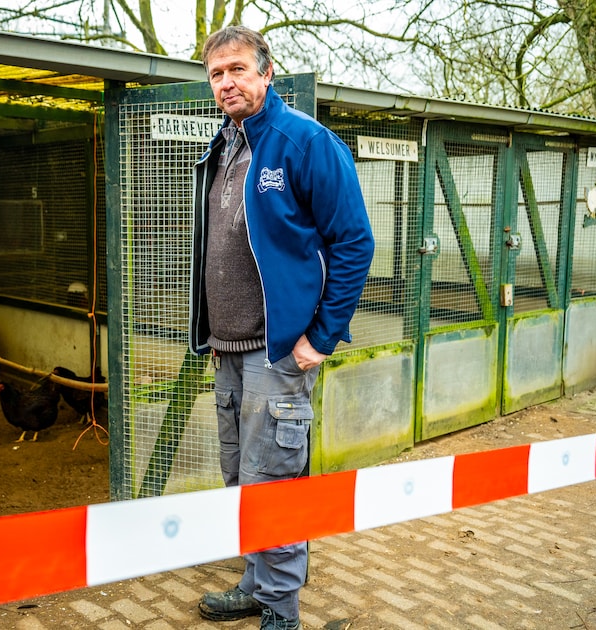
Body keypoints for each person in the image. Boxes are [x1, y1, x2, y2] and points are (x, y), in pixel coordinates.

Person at [189, 25, 375, 630]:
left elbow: (354, 242)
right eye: (217, 74)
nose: (227, 83)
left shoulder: (305, 142)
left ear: (268, 73)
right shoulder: (221, 148)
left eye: (238, 69)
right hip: (229, 349)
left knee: (274, 482)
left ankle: (280, 610)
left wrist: (320, 339)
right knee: (242, 478)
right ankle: (256, 582)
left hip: (278, 354)